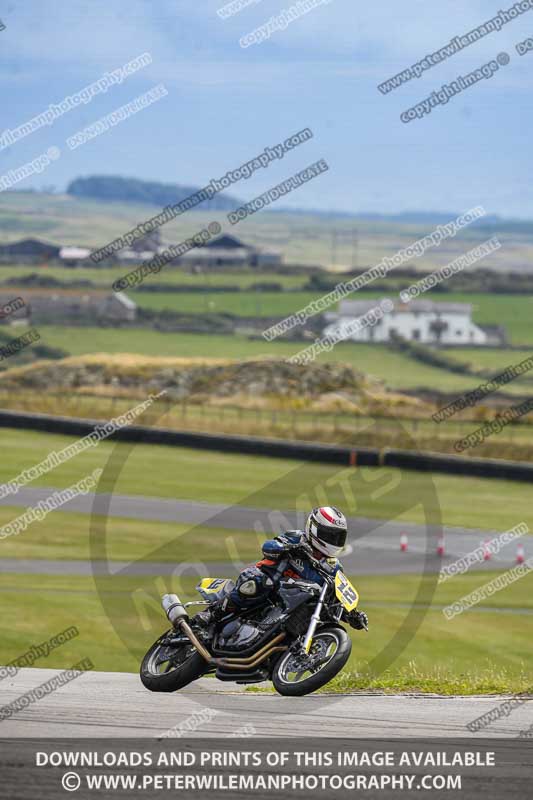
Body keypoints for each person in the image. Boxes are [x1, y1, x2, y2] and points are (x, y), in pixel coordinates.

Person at [198, 506, 368, 631]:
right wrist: (287, 548)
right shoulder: (296, 538)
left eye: (338, 536)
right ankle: (213, 613)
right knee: (258, 583)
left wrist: (352, 615)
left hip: (291, 603)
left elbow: (337, 597)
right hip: (270, 585)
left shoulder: (335, 567)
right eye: (330, 535)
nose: (334, 540)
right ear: (314, 529)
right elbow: (268, 546)